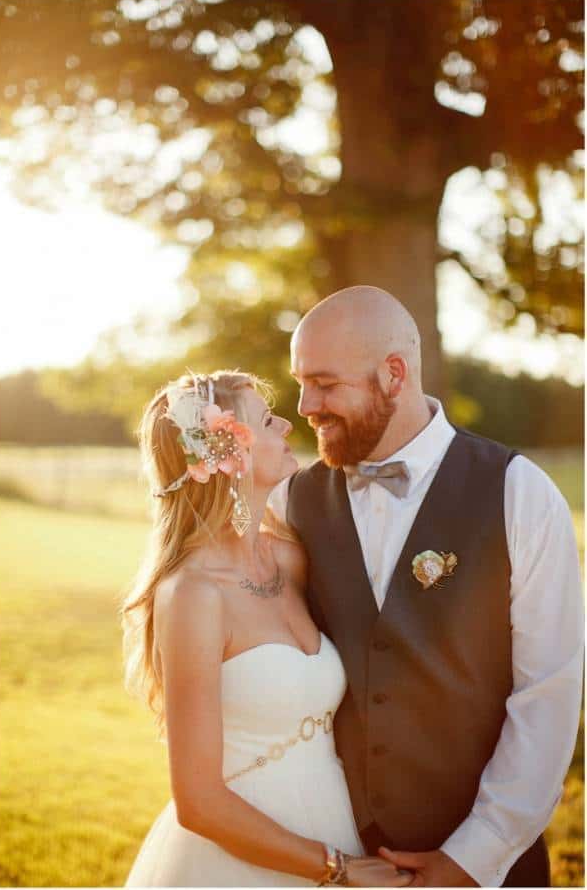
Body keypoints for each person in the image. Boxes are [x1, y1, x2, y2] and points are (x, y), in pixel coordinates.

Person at [266, 285, 584, 888]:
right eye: (301, 381)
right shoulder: (291, 503)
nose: (305, 405)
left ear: (393, 374)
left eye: (326, 384)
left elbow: (548, 690)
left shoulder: (520, 493)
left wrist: (476, 855)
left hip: (489, 869)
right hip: (337, 862)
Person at [123, 369, 413, 887]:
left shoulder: (292, 559)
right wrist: (337, 869)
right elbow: (199, 802)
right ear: (223, 451)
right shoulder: (192, 595)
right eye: (266, 419)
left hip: (334, 819)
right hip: (241, 858)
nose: (286, 425)